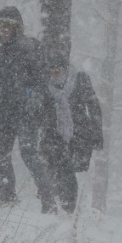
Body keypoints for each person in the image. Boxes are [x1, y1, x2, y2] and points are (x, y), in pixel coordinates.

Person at [0, 6, 52, 208]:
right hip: (5, 112)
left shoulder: (29, 47)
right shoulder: (0, 53)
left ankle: (48, 198)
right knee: (1, 154)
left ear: (16, 28)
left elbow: (41, 77)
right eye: (0, 27)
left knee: (28, 153)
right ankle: (7, 196)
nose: (4, 30)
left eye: (8, 26)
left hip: (25, 112)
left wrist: (32, 97)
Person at [40, 52, 104, 213]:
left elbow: (93, 106)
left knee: (68, 171)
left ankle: (70, 209)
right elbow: (40, 110)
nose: (55, 75)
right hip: (53, 134)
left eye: (58, 71)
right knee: (54, 169)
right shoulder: (45, 85)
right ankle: (53, 207)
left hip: (78, 134)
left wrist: (97, 134)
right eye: (51, 71)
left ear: (66, 70)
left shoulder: (80, 80)